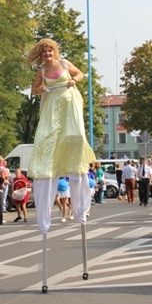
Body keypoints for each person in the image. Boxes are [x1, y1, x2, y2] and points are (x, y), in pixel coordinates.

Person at [28, 38, 96, 240]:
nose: (48, 55)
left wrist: (75, 80)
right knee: (50, 138)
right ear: (41, 55)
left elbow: (81, 73)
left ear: (54, 52)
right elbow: (33, 88)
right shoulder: (41, 72)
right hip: (53, 108)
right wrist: (40, 89)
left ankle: (80, 207)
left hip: (68, 105)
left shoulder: (65, 64)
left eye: (50, 52)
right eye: (44, 53)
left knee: (73, 135)